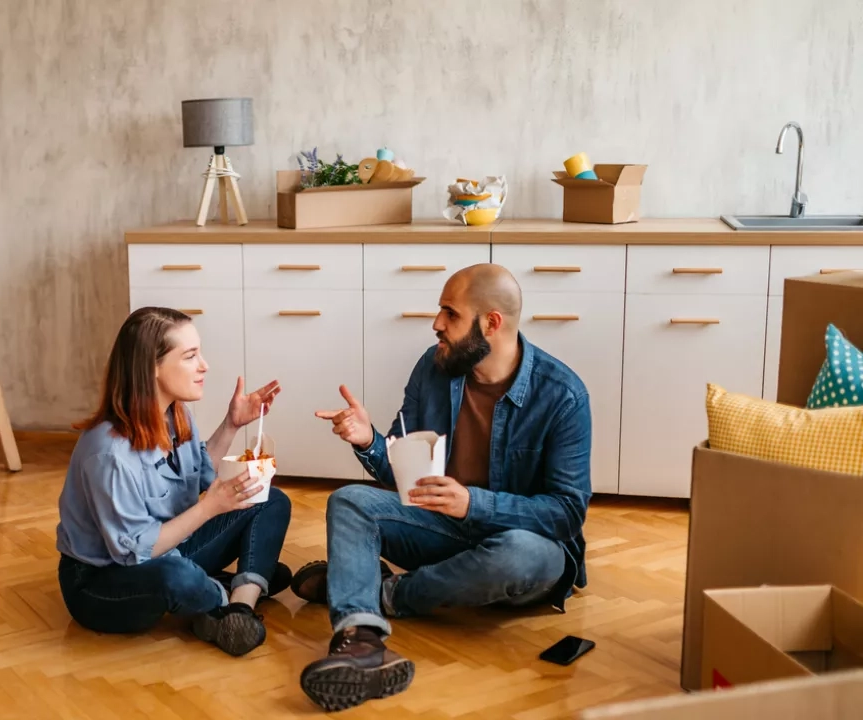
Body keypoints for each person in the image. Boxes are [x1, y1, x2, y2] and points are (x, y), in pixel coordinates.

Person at [295, 263, 593, 711]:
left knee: (520, 553)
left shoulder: (563, 396)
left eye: (449, 314)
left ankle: (381, 593)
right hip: (439, 530)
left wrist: (474, 503)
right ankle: (361, 641)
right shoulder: (433, 368)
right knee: (349, 501)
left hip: (520, 549)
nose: (436, 324)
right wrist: (369, 440)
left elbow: (566, 513)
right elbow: (404, 477)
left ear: (492, 323)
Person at [56, 306, 292, 657]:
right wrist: (210, 507)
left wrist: (232, 424)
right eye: (190, 356)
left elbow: (198, 472)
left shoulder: (174, 413)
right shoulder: (108, 453)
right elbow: (135, 552)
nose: (204, 366)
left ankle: (238, 608)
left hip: (171, 544)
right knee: (175, 575)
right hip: (103, 582)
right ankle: (231, 589)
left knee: (270, 499)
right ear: (152, 367)